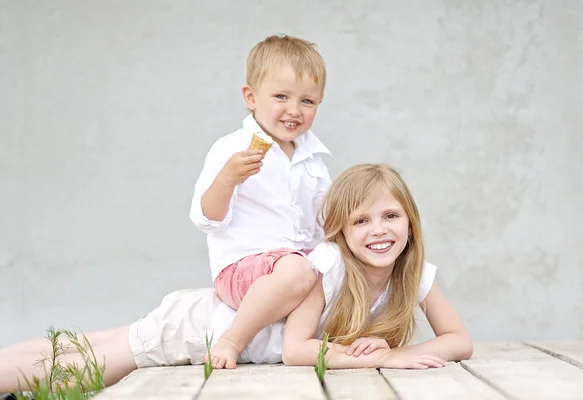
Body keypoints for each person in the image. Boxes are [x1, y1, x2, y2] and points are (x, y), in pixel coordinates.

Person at [0, 164, 472, 393]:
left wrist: (403, 352)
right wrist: (373, 356)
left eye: (390, 215)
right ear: (342, 233)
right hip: (199, 329)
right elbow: (295, 348)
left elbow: (459, 340)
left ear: (410, 220)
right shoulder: (328, 267)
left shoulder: (415, 277)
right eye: (361, 221)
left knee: (79, 346)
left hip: (204, 315)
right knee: (81, 367)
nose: (379, 230)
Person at [189, 34, 331, 369]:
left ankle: (299, 347)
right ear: (250, 97)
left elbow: (326, 224)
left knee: (333, 271)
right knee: (298, 269)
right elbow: (205, 218)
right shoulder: (232, 149)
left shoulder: (315, 161)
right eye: (281, 96)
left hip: (296, 268)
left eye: (307, 101)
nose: (294, 110)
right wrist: (227, 179)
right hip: (242, 269)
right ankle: (231, 340)